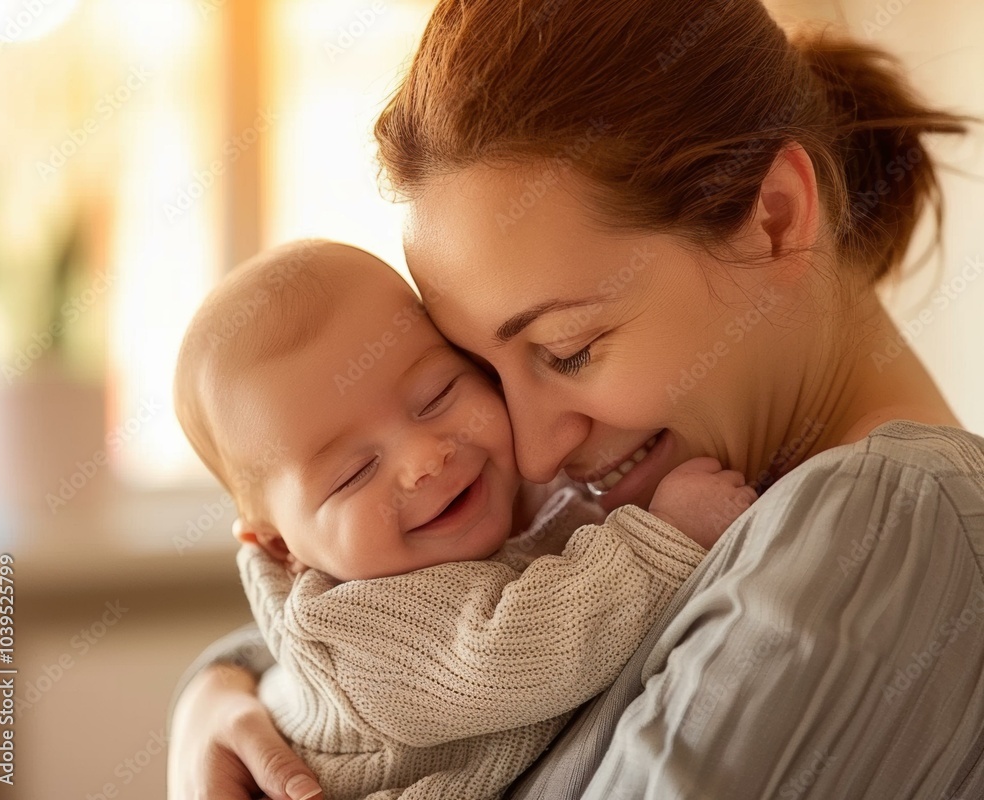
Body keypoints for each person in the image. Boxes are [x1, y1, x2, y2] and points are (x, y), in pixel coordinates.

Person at [168, 1, 984, 798]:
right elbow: (395, 635)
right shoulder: (703, 482)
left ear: (773, 217)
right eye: (477, 371)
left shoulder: (882, 519)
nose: (527, 453)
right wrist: (222, 688)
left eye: (568, 351)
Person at [170, 240, 755, 799]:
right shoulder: (358, 630)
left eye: (437, 395)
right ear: (280, 547)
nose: (425, 460)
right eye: (353, 474)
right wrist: (660, 541)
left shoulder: (515, 484)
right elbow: (524, 652)